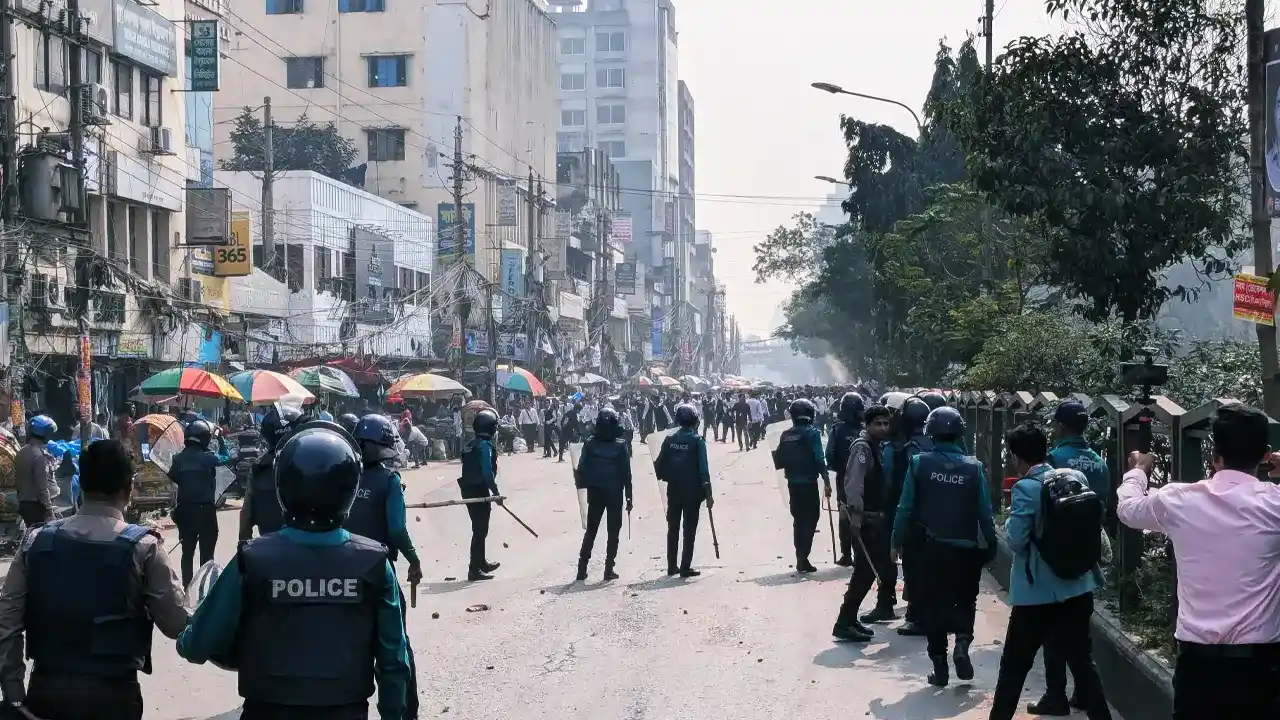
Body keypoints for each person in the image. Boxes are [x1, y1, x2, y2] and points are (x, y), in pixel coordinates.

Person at [177, 425, 411, 720]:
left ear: (283, 488)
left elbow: (199, 645)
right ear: (349, 490)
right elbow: (394, 661)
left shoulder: (252, 559)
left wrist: (184, 636)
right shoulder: (375, 562)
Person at [0, 440, 190, 720]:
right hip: (113, 696)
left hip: (47, 691)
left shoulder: (35, 541)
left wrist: (14, 696)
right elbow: (176, 624)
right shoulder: (145, 548)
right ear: (128, 488)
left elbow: (7, 623)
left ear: (83, 484)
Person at [1116, 402, 1280, 720]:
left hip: (1197, 666)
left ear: (1214, 456)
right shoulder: (1273, 504)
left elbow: (1128, 508)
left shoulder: (1179, 500)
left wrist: (1138, 470)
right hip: (1260, 667)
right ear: (1265, 454)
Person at [989, 423, 1112, 720]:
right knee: (1082, 663)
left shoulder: (1026, 488)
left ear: (1016, 457)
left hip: (1037, 594)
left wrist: (1008, 521)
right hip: (1079, 586)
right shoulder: (1076, 476)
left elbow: (1017, 540)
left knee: (1015, 665)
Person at [891, 406, 997, 687]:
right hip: (966, 549)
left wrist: (896, 541)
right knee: (965, 600)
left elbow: (905, 508)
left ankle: (940, 667)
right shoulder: (974, 467)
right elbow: (985, 513)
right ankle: (962, 644)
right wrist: (992, 546)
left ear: (930, 432)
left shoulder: (918, 463)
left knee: (933, 604)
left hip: (931, 550)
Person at [1031, 399, 1112, 715]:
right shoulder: (1099, 463)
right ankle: (1082, 692)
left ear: (1062, 427)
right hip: (1088, 553)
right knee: (1080, 627)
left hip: (1056, 555)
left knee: (1053, 629)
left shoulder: (1053, 460)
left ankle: (1056, 695)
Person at [347, 414, 423, 720]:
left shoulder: (342, 476)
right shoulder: (389, 481)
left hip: (342, 568)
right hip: (379, 572)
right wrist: (414, 559)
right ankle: (407, 713)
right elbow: (396, 530)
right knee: (397, 647)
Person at [832, 404, 896, 642]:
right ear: (867, 425)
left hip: (876, 518)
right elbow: (854, 485)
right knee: (864, 572)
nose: (882, 428)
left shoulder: (876, 447)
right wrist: (856, 519)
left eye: (885, 423)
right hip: (866, 520)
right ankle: (844, 621)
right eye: (877, 424)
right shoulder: (862, 448)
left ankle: (849, 619)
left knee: (866, 572)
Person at [885, 396, 932, 636]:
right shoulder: (939, 446)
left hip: (913, 517)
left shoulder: (904, 450)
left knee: (913, 566)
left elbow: (893, 486)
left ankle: (916, 616)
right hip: (942, 517)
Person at [574, 407, 633, 582]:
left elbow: (581, 467)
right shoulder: (621, 445)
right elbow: (626, 473)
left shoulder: (589, 443)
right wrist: (629, 496)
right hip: (614, 493)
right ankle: (608, 569)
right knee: (613, 532)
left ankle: (581, 568)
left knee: (591, 530)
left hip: (595, 492)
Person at [654, 403, 712, 577]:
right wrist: (708, 494)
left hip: (673, 490)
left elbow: (659, 465)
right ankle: (685, 566)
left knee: (673, 528)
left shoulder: (669, 440)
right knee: (689, 529)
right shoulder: (697, 441)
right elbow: (703, 470)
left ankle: (671, 566)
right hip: (692, 492)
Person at [774, 398, 830, 573]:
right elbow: (819, 458)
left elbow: (779, 459)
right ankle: (803, 557)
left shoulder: (785, 434)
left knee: (798, 521)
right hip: (809, 483)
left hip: (792, 484)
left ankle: (800, 556)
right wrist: (827, 481)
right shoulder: (812, 433)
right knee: (811, 519)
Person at [168, 418, 223, 586]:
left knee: (187, 553)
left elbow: (172, 480)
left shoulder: (177, 459)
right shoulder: (210, 458)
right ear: (205, 438)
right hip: (205, 511)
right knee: (207, 557)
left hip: (184, 511)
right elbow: (225, 466)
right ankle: (204, 590)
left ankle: (186, 589)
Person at [238, 405, 300, 542]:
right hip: (306, 549)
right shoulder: (307, 461)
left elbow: (246, 517)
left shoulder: (260, 467)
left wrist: (243, 548)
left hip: (269, 545)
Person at [460, 409, 502, 581]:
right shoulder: (484, 446)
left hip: (468, 488)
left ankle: (481, 562)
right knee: (479, 530)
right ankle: (474, 569)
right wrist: (496, 492)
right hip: (478, 490)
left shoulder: (472, 443)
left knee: (480, 528)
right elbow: (486, 472)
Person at [826, 392, 865, 567]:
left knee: (844, 517)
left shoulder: (836, 430)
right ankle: (859, 554)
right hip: (864, 481)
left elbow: (830, 456)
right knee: (860, 514)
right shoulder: (866, 430)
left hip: (843, 479)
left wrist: (841, 469)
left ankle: (846, 554)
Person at [15, 415, 58, 528]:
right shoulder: (39, 456)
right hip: (36, 506)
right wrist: (49, 511)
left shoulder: (21, 452)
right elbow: (42, 487)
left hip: (23, 503)